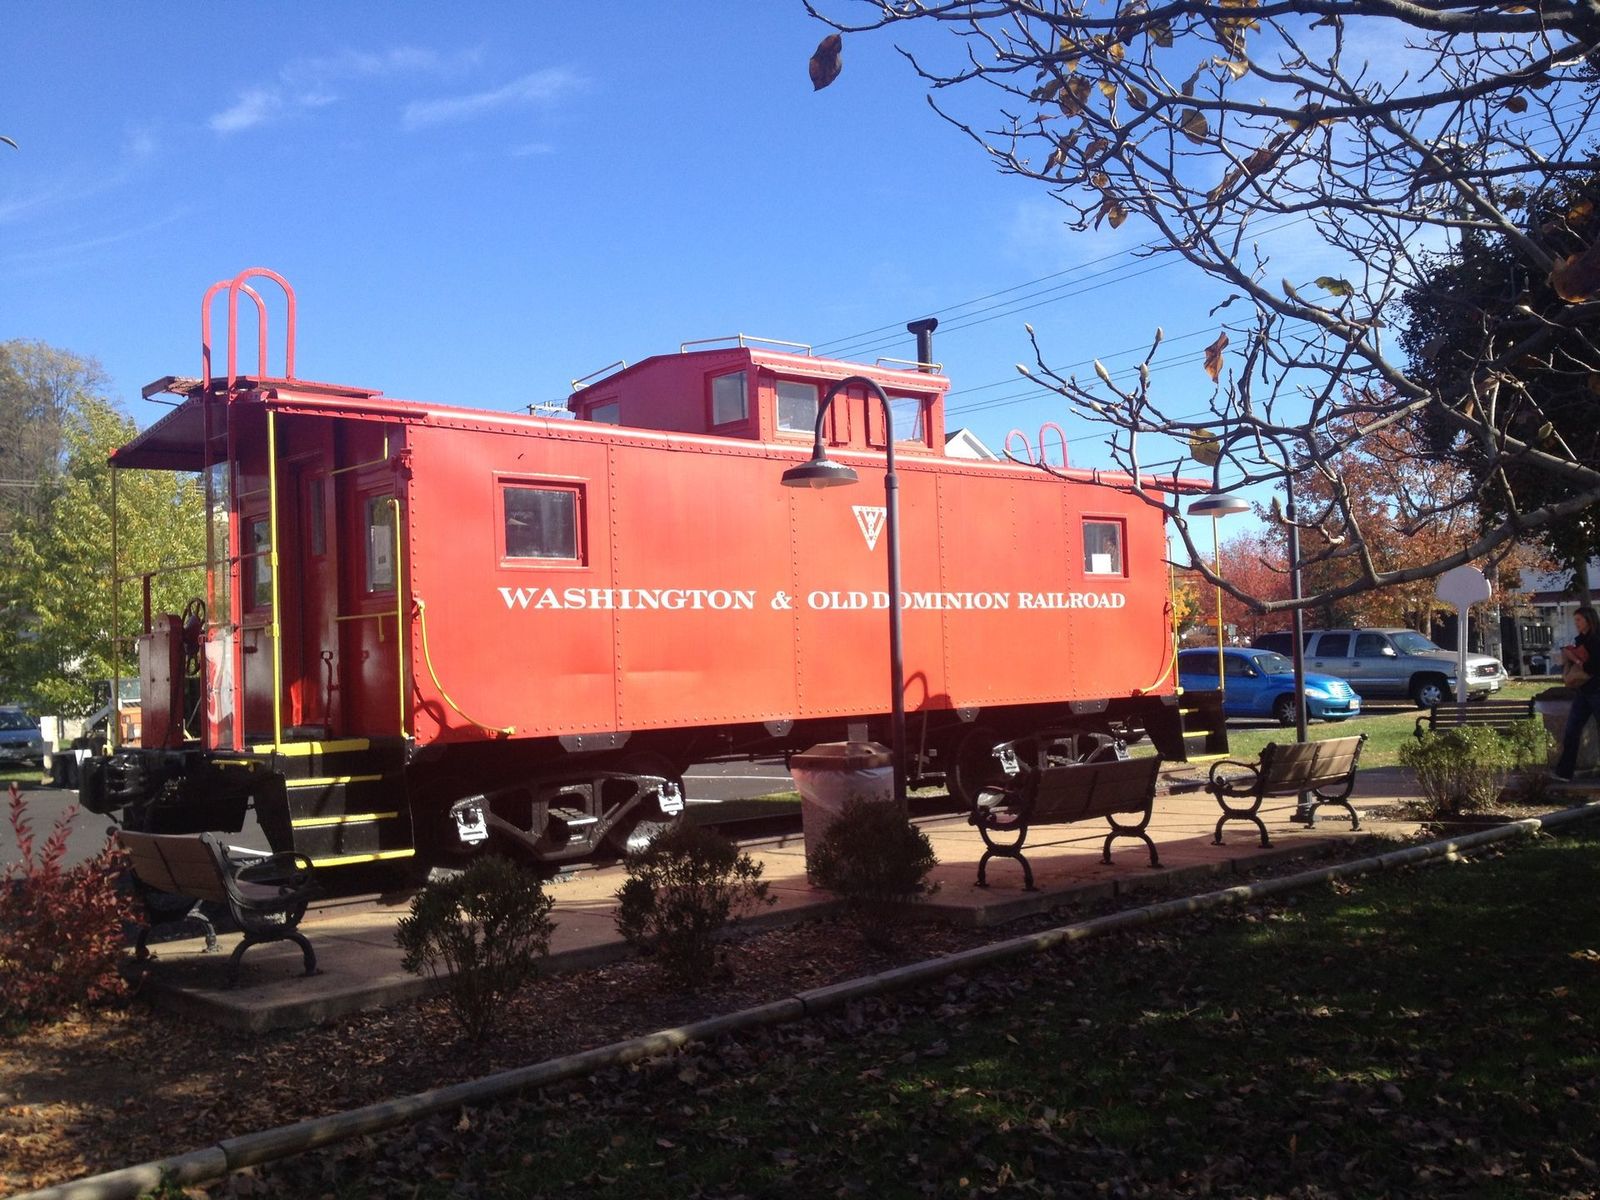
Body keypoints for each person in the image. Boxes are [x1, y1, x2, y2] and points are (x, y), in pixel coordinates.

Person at [1554, 604, 1600, 780]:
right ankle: (1564, 772)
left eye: (1579, 620)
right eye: (1575, 620)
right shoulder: (1580, 639)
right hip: (1584, 690)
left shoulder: (1596, 640)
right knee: (1572, 730)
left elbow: (1594, 666)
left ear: (1589, 620)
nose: (1577, 623)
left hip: (1596, 689)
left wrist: (1580, 662)